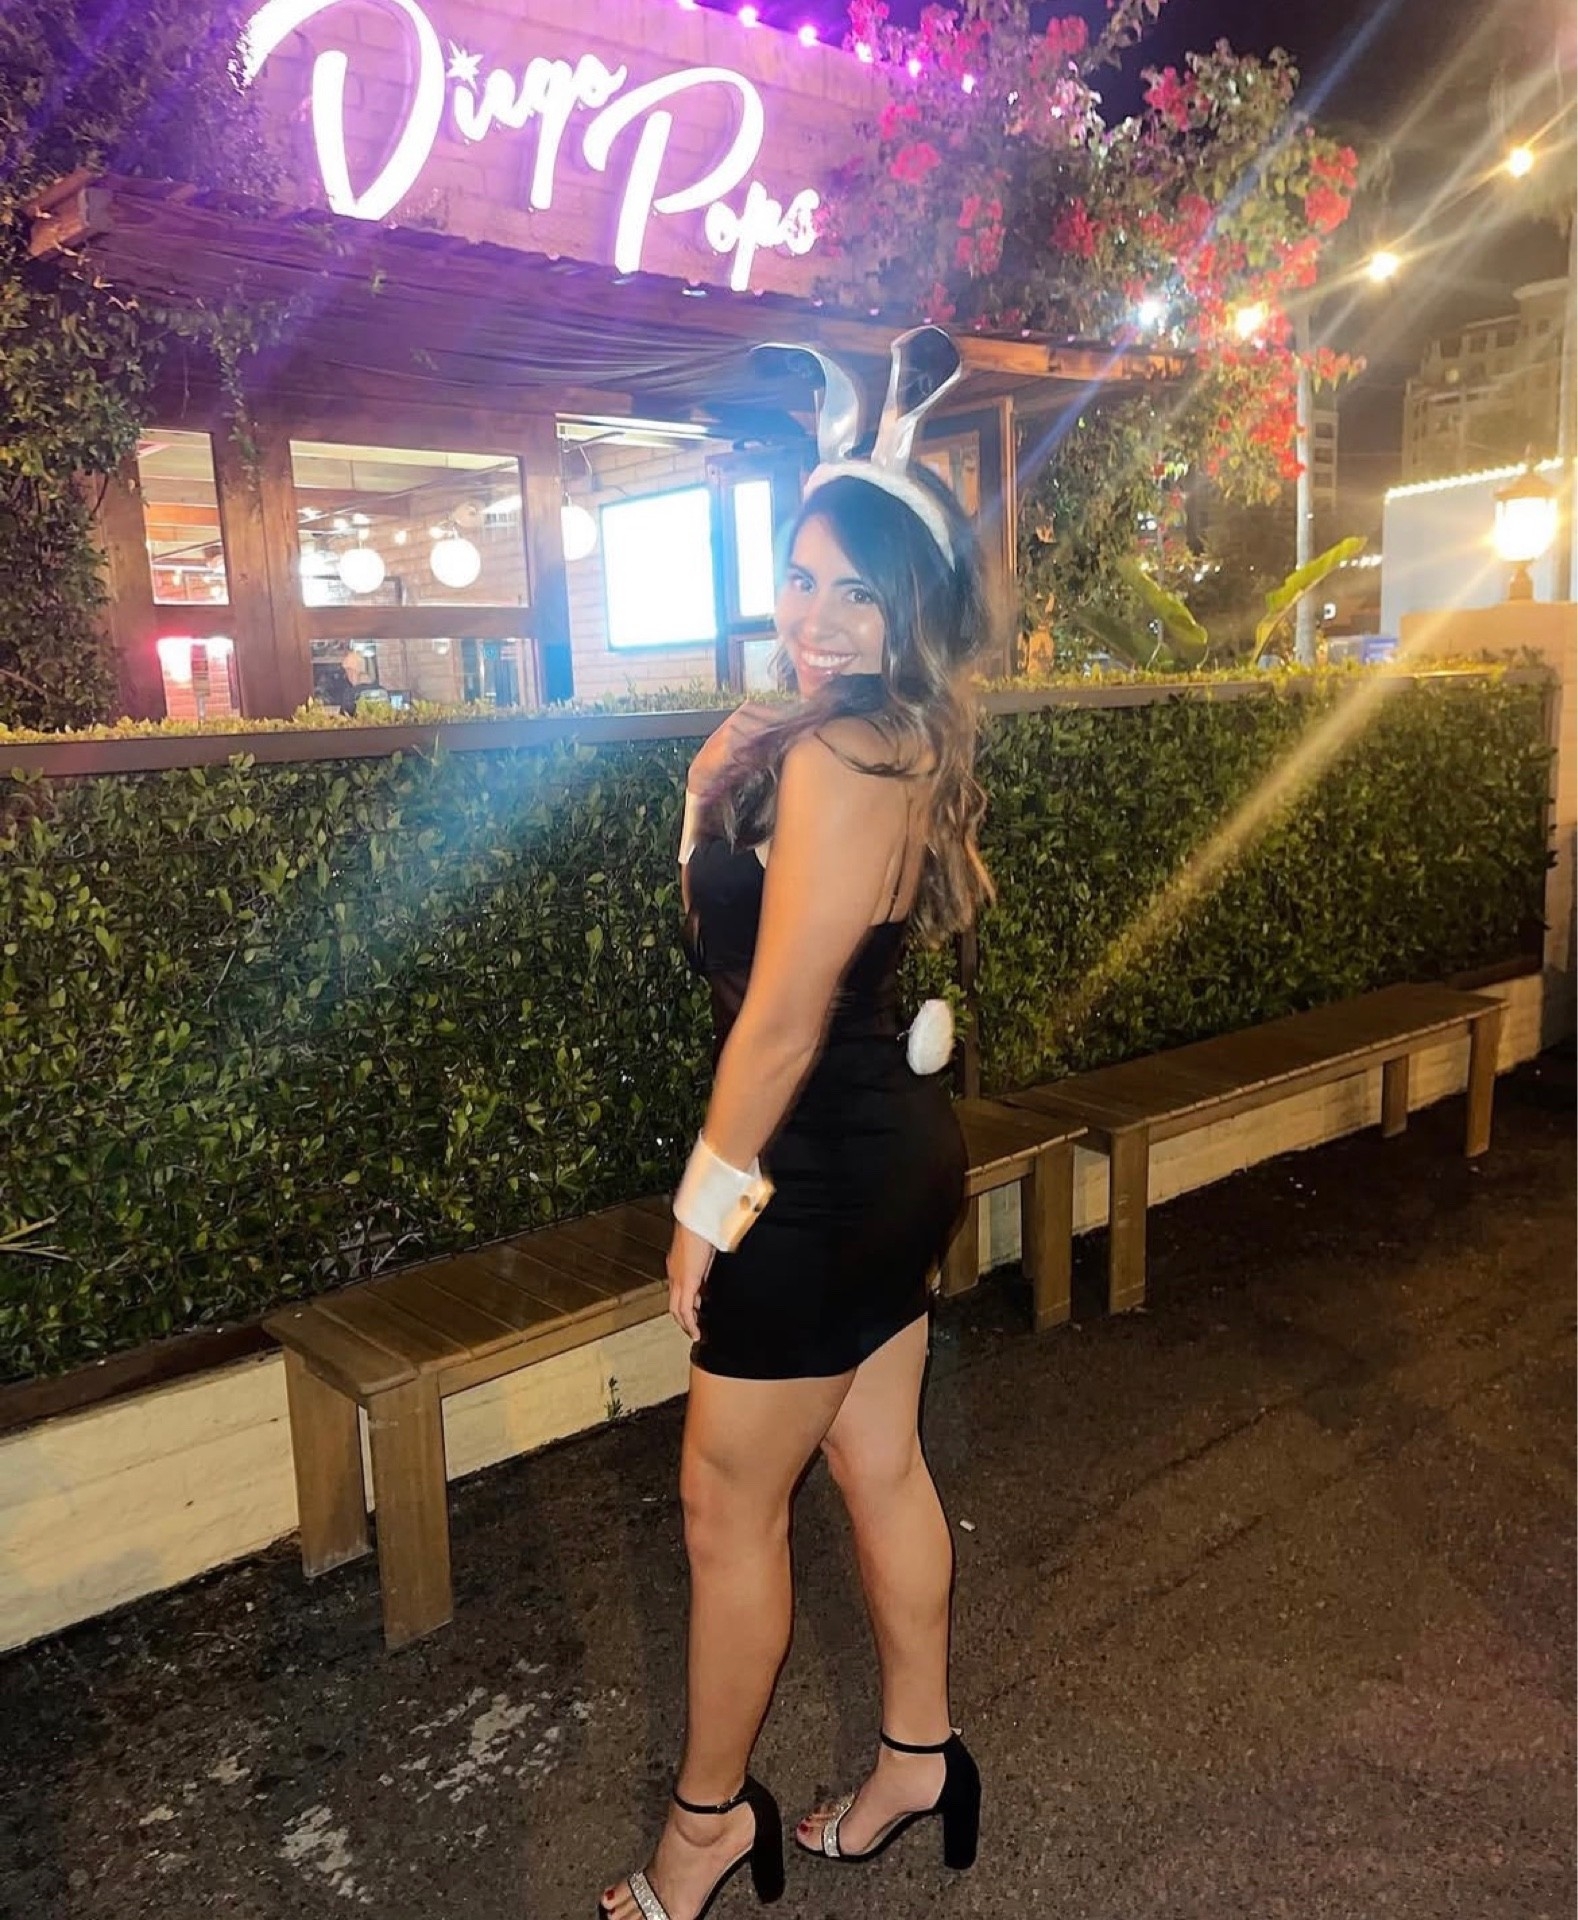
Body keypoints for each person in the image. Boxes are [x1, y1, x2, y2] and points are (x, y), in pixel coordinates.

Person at [599, 332, 995, 1920]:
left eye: (857, 593)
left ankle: (706, 1826)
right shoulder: (884, 737)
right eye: (800, 578)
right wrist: (703, 801)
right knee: (876, 1459)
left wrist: (703, 1208)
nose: (816, 617)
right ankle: (916, 1762)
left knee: (724, 1509)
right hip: (883, 1150)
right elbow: (758, 946)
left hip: (811, 1172)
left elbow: (771, 1014)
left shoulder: (837, 749)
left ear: (911, 611)